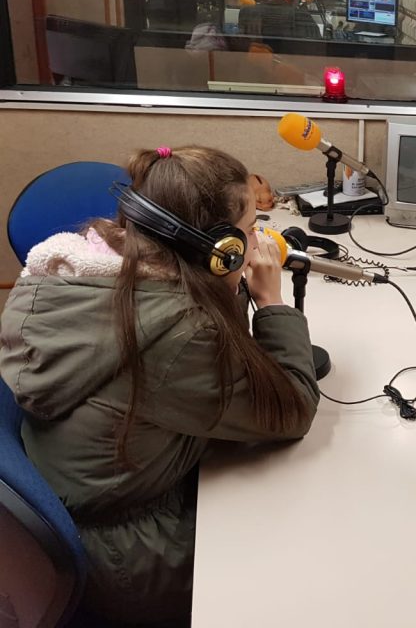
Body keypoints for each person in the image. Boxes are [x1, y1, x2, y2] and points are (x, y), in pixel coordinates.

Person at [0, 146, 320, 625]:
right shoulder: (180, 334)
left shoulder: (85, 270)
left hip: (105, 502)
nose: (256, 243)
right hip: (132, 556)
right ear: (221, 253)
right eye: (251, 229)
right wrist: (272, 304)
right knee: (306, 553)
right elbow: (291, 411)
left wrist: (229, 290)